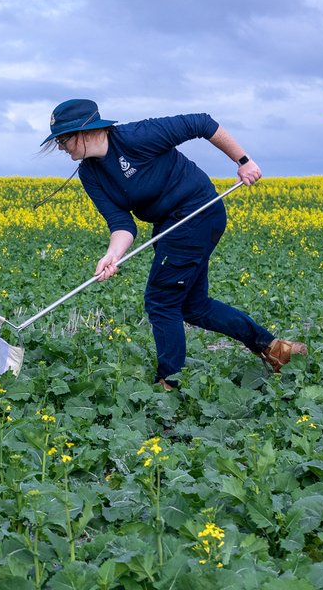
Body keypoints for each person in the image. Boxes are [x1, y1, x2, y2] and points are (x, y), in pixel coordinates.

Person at [40, 98, 306, 389]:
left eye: (64, 140)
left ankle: (168, 383)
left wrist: (243, 161)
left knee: (161, 301)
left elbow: (202, 123)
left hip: (198, 212)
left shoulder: (135, 136)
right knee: (194, 306)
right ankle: (276, 349)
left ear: (85, 131)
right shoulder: (91, 174)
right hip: (168, 225)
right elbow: (122, 224)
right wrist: (111, 255)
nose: (62, 148)